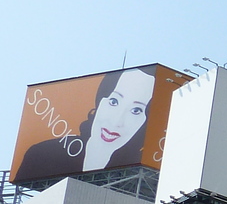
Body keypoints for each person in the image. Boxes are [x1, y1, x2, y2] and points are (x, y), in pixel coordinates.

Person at [13, 66, 158, 182]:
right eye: (114, 101)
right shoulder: (41, 155)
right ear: (100, 101)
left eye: (136, 110)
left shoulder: (147, 176)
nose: (117, 121)